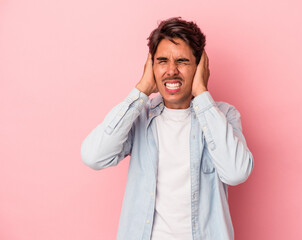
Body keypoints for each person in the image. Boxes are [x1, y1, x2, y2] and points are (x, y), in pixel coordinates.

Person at [81, 17, 254, 240]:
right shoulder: (140, 117)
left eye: (182, 61)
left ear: (200, 66)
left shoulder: (223, 116)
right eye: (162, 61)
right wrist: (142, 89)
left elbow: (236, 172)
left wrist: (201, 93)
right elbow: (93, 156)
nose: (171, 70)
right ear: (151, 66)